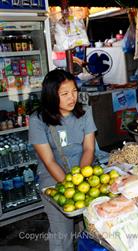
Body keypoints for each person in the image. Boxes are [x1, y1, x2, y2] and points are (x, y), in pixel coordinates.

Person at [29, 69, 97, 251]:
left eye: (74, 91)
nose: (72, 98)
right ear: (52, 95)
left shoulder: (85, 112)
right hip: (53, 177)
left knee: (95, 228)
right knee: (62, 234)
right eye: (65, 93)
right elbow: (49, 161)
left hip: (84, 171)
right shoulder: (38, 120)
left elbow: (89, 148)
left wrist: (81, 177)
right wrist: (69, 185)